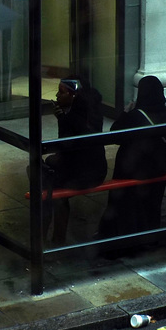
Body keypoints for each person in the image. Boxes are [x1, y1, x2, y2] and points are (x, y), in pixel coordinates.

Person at [98, 75, 166, 239]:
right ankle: (149, 237)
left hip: (134, 168)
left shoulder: (134, 116)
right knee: (151, 204)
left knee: (127, 204)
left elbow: (115, 135)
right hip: (159, 166)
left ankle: (122, 237)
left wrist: (126, 112)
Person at [42, 76, 107, 244]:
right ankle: (55, 237)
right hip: (97, 170)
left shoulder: (73, 118)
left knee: (50, 187)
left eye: (61, 92)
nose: (56, 95)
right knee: (47, 173)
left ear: (73, 96)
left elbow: (64, 149)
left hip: (83, 174)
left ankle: (55, 238)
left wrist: (62, 121)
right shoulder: (90, 112)